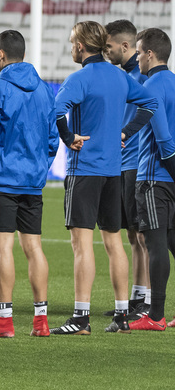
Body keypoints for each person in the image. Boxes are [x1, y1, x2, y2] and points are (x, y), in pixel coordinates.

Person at [51, 20, 160, 335]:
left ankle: (81, 318)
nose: (72, 47)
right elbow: (150, 103)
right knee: (114, 242)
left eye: (73, 42)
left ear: (82, 46)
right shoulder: (120, 77)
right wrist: (126, 131)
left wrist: (69, 136)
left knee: (82, 244)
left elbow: (57, 110)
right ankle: (123, 316)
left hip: (85, 170)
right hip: (114, 170)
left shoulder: (79, 78)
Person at [0, 30, 58, 339]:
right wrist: (39, 170)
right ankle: (41, 322)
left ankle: (5, 322)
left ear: (0, 55)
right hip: (32, 182)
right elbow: (52, 139)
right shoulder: (46, 91)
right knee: (34, 246)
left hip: (2, 181)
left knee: (2, 247)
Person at [129, 28, 175, 330]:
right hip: (169, 178)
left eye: (139, 51)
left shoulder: (152, 85)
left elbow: (164, 140)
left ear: (149, 54)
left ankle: (155, 315)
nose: (136, 56)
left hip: (155, 177)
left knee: (155, 244)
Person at [105, 19, 150, 316]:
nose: (106, 52)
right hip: (121, 163)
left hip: (136, 163)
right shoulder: (122, 76)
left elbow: (151, 111)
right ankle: (137, 298)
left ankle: (145, 301)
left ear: (125, 46)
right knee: (132, 234)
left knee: (142, 235)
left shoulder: (142, 78)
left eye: (109, 47)